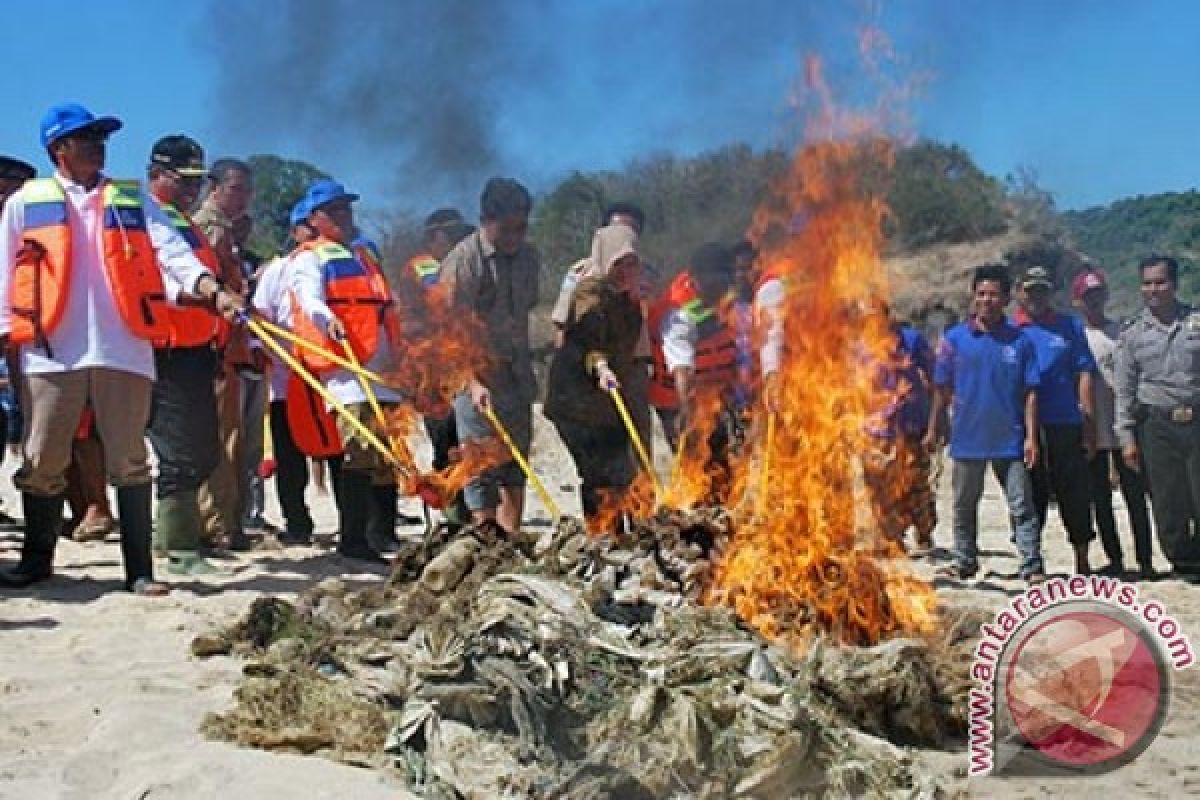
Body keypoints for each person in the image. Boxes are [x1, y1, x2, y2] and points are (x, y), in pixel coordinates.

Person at [0, 102, 241, 592]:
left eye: (101, 138)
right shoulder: (26, 202)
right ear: (58, 148)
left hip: (124, 348)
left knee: (130, 458)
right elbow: (5, 275)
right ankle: (36, 560)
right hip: (51, 349)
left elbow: (171, 252)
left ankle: (139, 572)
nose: (98, 146)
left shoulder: (131, 200)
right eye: (86, 138)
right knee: (43, 457)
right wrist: (7, 340)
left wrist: (210, 288)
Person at [290, 179, 401, 561]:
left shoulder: (364, 255)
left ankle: (384, 533)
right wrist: (327, 320)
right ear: (316, 218)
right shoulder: (310, 258)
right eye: (334, 210)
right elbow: (309, 299)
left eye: (347, 209)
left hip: (382, 368)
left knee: (388, 450)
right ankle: (353, 538)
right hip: (347, 369)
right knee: (358, 449)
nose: (344, 216)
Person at [928, 263, 1044, 583]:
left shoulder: (1020, 341)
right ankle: (965, 561)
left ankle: (1032, 565)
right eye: (981, 294)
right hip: (967, 437)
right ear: (973, 296)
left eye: (994, 294)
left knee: (1021, 505)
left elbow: (1031, 393)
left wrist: (1031, 438)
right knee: (964, 505)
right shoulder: (954, 340)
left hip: (1010, 438)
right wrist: (934, 428)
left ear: (1006, 299)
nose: (986, 300)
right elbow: (941, 388)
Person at [144, 134, 226, 575]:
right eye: (185, 180)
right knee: (177, 449)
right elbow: (161, 277)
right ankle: (178, 549)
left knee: (204, 448)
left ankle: (180, 536)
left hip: (198, 350)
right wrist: (205, 298)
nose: (193, 189)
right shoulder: (146, 217)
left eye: (198, 181)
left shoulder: (185, 222)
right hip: (166, 349)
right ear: (157, 173)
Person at [440, 179, 539, 533]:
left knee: (515, 460)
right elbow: (452, 331)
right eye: (507, 228)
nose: (516, 236)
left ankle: (511, 538)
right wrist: (473, 381)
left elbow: (526, 312)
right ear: (486, 220)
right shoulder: (464, 261)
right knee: (480, 462)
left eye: (522, 227)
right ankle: (486, 540)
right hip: (474, 376)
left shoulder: (530, 258)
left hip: (516, 374)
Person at [545, 225, 642, 525]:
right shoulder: (589, 292)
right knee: (596, 473)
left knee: (622, 472)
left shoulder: (627, 300)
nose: (624, 271)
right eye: (618, 263)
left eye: (631, 264)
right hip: (574, 401)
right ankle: (600, 536)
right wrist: (600, 367)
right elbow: (587, 339)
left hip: (608, 401)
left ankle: (622, 535)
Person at [1115, 255, 1200, 577]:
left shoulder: (1195, 321)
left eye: (1160, 282)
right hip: (1156, 425)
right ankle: (1184, 561)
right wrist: (1126, 440)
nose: (1154, 289)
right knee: (1167, 501)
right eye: (1147, 283)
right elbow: (1124, 391)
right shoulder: (1132, 334)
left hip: (1197, 418)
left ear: (1174, 284)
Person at [1012, 265, 1098, 574]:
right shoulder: (1011, 330)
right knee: (1029, 495)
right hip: (1023, 426)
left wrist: (1088, 422)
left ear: (1051, 293)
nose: (1036, 296)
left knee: (1073, 491)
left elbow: (1084, 373)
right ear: (1020, 293)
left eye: (1042, 290)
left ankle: (1082, 559)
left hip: (1064, 422)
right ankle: (1033, 562)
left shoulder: (1070, 327)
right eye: (1030, 290)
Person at [1073, 268, 1156, 578]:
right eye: (1087, 296)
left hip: (1125, 427)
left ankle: (1145, 561)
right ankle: (1116, 560)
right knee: (1101, 501)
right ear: (1078, 301)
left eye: (1097, 294)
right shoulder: (1077, 337)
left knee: (1135, 496)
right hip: (1093, 427)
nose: (1093, 301)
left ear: (1105, 296)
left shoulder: (1123, 333)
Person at [252, 199, 323, 544]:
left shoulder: (342, 262)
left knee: (339, 454)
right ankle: (297, 523)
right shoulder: (278, 270)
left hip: (331, 381)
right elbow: (260, 318)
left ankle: (356, 528)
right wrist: (265, 353)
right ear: (295, 231)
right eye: (308, 227)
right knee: (290, 457)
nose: (315, 234)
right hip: (288, 380)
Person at [194, 158, 256, 551]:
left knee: (233, 439)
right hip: (212, 345)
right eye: (237, 189)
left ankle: (229, 521)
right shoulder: (210, 227)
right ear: (215, 188)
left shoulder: (229, 231)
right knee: (218, 439)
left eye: (249, 191)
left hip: (228, 348)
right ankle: (217, 525)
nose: (245, 198)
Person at [403, 208, 474, 527]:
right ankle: (451, 512)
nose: (461, 241)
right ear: (435, 238)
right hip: (430, 371)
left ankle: (466, 508)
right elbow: (443, 302)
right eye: (453, 235)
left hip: (459, 365)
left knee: (466, 439)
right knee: (445, 439)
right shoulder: (423, 268)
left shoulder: (459, 266)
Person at [647, 243, 738, 452]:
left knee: (718, 454)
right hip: (676, 398)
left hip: (709, 393)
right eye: (710, 283)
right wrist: (686, 410)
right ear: (695, 278)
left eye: (723, 282)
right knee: (693, 455)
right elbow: (682, 368)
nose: (717, 289)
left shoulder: (724, 298)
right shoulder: (678, 313)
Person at [862, 303, 937, 552]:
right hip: (877, 430)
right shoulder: (860, 348)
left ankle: (924, 531)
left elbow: (936, 376)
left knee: (916, 482)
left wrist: (937, 422)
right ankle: (891, 537)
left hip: (912, 425)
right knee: (880, 486)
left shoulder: (912, 340)